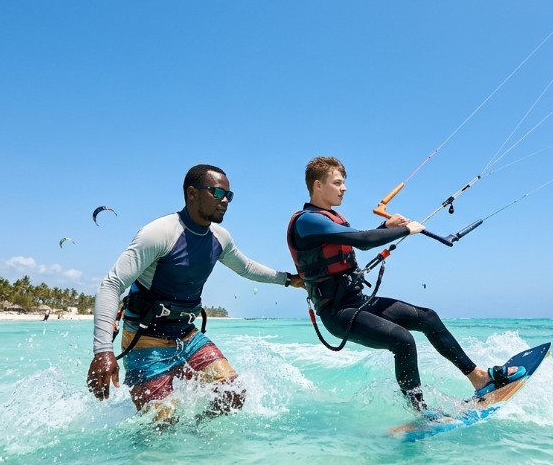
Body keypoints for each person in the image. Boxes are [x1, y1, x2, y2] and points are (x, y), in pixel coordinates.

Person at [286, 156, 524, 416]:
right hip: (338, 313)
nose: (344, 188)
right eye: (338, 183)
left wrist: (385, 227)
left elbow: (356, 241)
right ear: (318, 185)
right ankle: (420, 413)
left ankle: (479, 377)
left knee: (427, 317)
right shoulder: (307, 221)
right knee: (403, 340)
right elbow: (363, 241)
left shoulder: (329, 218)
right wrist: (404, 230)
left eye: (344, 183)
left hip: (358, 301)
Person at [87, 164, 303, 426]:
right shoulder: (159, 233)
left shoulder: (219, 238)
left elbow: (246, 267)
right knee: (162, 425)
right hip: (146, 339)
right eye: (217, 193)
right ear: (192, 193)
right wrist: (102, 351)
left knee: (232, 395)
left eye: (228, 195)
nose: (225, 201)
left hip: (187, 336)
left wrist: (289, 280)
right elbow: (111, 284)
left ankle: (195, 441)